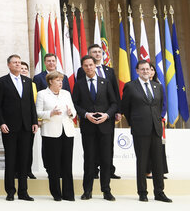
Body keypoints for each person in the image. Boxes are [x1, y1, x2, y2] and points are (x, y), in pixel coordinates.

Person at [121, 60, 171, 202]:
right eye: (142, 69)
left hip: (156, 128)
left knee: (158, 162)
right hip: (140, 129)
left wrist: (157, 120)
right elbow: (125, 107)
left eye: (147, 69)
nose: (145, 72)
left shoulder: (158, 87)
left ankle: (159, 192)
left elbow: (160, 106)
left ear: (151, 71)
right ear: (137, 71)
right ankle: (142, 192)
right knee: (142, 161)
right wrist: (134, 122)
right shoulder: (130, 86)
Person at [72, 55, 118, 201]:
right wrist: (85, 114)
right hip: (88, 127)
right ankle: (87, 191)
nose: (89, 68)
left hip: (105, 126)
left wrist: (107, 115)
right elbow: (75, 104)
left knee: (106, 159)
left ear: (95, 65)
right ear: (82, 67)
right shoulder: (79, 84)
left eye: (91, 65)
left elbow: (114, 103)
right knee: (89, 160)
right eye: (85, 65)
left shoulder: (106, 82)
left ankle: (106, 190)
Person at [0, 54, 38, 201]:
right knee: (11, 160)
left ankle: (23, 192)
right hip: (9, 127)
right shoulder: (1, 82)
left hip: (26, 126)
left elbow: (31, 104)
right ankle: (10, 191)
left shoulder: (28, 81)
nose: (18, 65)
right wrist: (1, 123)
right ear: (9, 65)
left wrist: (34, 122)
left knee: (24, 160)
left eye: (19, 62)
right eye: (15, 62)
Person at [77, 43, 122, 180]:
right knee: (91, 147)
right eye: (94, 52)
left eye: (99, 52)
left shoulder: (109, 71)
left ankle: (109, 170)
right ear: (89, 56)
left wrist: (117, 111)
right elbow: (81, 92)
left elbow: (115, 92)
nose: (97, 54)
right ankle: (94, 170)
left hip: (107, 115)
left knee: (108, 145)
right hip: (89, 114)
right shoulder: (82, 71)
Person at [35, 71, 77, 201]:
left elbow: (74, 112)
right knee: (53, 165)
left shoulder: (66, 93)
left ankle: (69, 194)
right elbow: (38, 112)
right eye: (58, 80)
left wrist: (71, 113)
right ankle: (56, 193)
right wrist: (50, 113)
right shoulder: (42, 94)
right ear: (50, 81)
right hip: (50, 132)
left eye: (61, 80)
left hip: (67, 131)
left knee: (67, 164)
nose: (60, 83)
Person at [19, 61, 37, 180]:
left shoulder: (32, 84)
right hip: (17, 121)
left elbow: (34, 104)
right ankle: (18, 170)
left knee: (28, 148)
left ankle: (28, 170)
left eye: (26, 69)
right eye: (22, 68)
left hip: (30, 120)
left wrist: (35, 120)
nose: (24, 70)